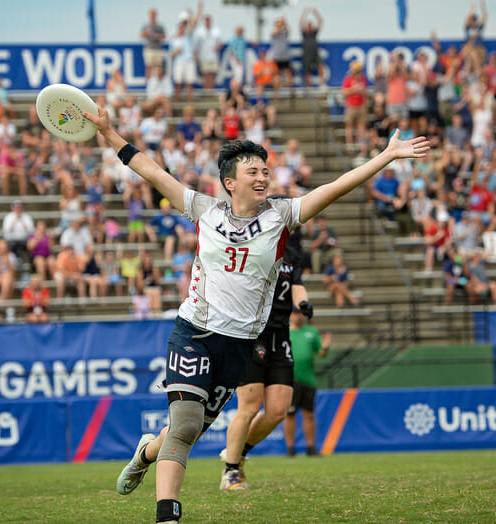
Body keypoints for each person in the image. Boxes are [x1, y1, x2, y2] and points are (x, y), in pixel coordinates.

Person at [83, 102, 429, 524]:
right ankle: (167, 517)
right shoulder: (204, 210)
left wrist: (386, 156)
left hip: (241, 343)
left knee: (184, 431)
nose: (263, 176)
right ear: (230, 182)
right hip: (194, 329)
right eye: (253, 171)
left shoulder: (281, 216)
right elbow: (152, 171)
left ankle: (144, 453)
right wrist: (107, 132)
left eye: (266, 169)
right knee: (187, 424)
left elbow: (337, 186)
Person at [220, 246, 312, 490]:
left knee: (278, 411)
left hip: (280, 339)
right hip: (251, 336)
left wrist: (303, 302)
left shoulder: (292, 253)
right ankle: (230, 472)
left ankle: (238, 452)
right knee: (249, 407)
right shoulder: (252, 244)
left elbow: (296, 282)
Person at [283, 308, 330, 457]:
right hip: (290, 379)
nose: (300, 316)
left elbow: (321, 353)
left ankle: (310, 447)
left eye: (301, 314)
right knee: (290, 414)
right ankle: (290, 448)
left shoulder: (311, 332)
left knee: (309, 414)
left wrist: (325, 347)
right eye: (296, 313)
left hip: (308, 379)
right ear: (291, 315)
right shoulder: (285, 333)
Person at [341, 60, 368, 148]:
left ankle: (361, 145)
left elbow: (366, 92)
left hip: (361, 105)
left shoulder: (363, 79)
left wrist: (362, 91)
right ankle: (350, 145)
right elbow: (344, 92)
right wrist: (353, 89)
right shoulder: (348, 79)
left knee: (361, 126)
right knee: (349, 125)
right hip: (351, 105)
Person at [299, 7, 324, 89]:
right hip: (307, 53)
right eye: (308, 25)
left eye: (310, 25)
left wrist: (316, 13)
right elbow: (300, 23)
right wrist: (304, 13)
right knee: (307, 70)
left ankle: (322, 84)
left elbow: (320, 22)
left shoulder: (314, 33)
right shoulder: (304, 33)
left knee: (320, 66)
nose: (309, 26)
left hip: (315, 52)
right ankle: (309, 86)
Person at [142, 9, 167, 78]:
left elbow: (164, 36)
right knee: (149, 67)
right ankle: (149, 86)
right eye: (151, 15)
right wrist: (146, 33)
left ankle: (158, 85)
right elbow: (141, 35)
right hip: (149, 49)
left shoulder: (160, 26)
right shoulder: (145, 26)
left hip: (158, 49)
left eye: (154, 14)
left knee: (159, 68)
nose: (152, 16)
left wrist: (157, 36)